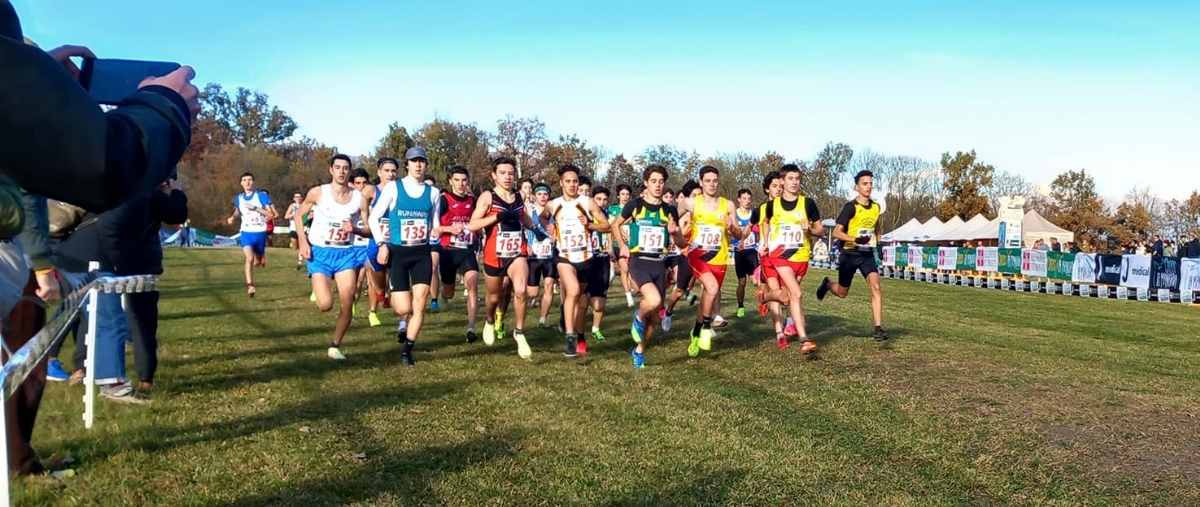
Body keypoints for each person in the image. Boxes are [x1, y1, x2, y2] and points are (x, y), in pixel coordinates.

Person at [2, 15, 199, 475]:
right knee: (31, 352)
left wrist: (33, 81)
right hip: (50, 255)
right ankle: (21, 457)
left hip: (60, 253)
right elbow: (101, 167)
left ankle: (17, 459)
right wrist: (164, 105)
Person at [369, 147, 441, 366]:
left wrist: (437, 230)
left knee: (419, 305)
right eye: (414, 161)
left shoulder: (434, 193)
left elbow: (435, 223)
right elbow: (374, 218)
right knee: (403, 308)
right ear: (407, 165)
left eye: (422, 161)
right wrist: (382, 244)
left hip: (421, 253)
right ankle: (401, 322)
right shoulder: (394, 187)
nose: (418, 165)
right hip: (398, 252)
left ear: (426, 165)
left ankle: (408, 349)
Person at [468, 157, 546, 358]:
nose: (507, 177)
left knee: (521, 290)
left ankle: (519, 332)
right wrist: (497, 217)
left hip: (517, 251)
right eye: (502, 173)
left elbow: (523, 217)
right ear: (494, 175)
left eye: (511, 173)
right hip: (494, 254)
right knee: (494, 296)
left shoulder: (519, 197)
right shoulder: (488, 197)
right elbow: (473, 225)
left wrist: (535, 229)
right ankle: (489, 320)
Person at [611, 165, 686, 369]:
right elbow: (615, 225)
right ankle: (638, 315)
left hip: (659, 264)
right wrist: (623, 244)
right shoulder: (635, 206)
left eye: (661, 181)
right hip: (639, 261)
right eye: (653, 181)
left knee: (654, 317)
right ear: (646, 183)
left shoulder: (669, 210)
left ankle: (639, 351)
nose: (658, 185)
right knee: (652, 300)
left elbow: (680, 242)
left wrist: (675, 233)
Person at [294, 155, 365, 360]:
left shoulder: (358, 198)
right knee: (326, 304)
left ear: (350, 171)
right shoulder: (318, 192)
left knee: (347, 301)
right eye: (338, 167)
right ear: (331, 170)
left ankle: (335, 346)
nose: (342, 171)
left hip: (345, 254)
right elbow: (299, 215)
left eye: (345, 168)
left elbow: (368, 227)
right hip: (320, 253)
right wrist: (303, 240)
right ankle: (318, 290)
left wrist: (357, 230)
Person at [748, 164, 823, 353]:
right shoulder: (772, 205)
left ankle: (764, 297)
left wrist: (809, 230)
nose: (794, 182)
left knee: (789, 296)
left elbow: (820, 230)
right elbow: (764, 222)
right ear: (783, 181)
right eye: (790, 179)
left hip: (801, 257)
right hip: (779, 257)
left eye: (797, 178)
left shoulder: (808, 203)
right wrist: (765, 242)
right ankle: (803, 339)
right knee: (795, 293)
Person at [538, 165, 611, 357]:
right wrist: (549, 227)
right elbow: (542, 217)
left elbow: (607, 226)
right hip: (564, 256)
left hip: (586, 258)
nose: (572, 185)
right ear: (561, 182)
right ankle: (570, 336)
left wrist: (590, 225)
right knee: (573, 291)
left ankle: (580, 336)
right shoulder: (554, 205)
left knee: (581, 302)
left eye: (575, 181)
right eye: (568, 181)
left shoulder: (588, 203)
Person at [815, 170, 889, 341]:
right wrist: (856, 239)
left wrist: (879, 242)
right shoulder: (851, 207)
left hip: (867, 255)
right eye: (865, 183)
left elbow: (876, 226)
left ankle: (878, 329)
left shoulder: (876, 207)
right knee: (842, 292)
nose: (869, 186)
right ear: (857, 187)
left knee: (876, 287)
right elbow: (837, 232)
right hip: (849, 254)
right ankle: (827, 284)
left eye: (870, 183)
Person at [673, 166, 738, 356]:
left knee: (706, 298)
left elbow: (739, 234)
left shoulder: (728, 206)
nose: (711, 184)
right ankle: (707, 328)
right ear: (701, 183)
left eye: (715, 180)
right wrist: (674, 233)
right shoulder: (690, 203)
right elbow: (672, 219)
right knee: (712, 288)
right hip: (697, 255)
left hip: (720, 258)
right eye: (707, 181)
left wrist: (733, 229)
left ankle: (696, 330)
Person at [435, 165, 481, 342]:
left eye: (463, 180)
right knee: (449, 293)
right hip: (448, 251)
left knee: (472, 285)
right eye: (457, 180)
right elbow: (434, 227)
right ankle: (442, 293)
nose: (461, 184)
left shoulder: (472, 200)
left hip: (467, 250)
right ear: (450, 181)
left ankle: (471, 328)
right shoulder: (444, 200)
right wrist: (448, 228)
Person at [362, 158, 399, 326]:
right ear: (379, 172)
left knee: (397, 278)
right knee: (377, 282)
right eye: (387, 170)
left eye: (393, 171)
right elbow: (361, 206)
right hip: (376, 242)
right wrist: (366, 219)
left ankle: (401, 317)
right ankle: (374, 308)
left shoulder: (400, 190)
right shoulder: (372, 190)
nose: (390, 174)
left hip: (395, 242)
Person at [226, 172, 276, 297]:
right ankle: (250, 286)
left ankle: (260, 259)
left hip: (260, 233)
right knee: (249, 258)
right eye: (244, 180)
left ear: (253, 182)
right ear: (241, 183)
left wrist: (255, 208)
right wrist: (232, 218)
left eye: (250, 180)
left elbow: (270, 214)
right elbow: (238, 211)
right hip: (246, 232)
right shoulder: (239, 198)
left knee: (257, 262)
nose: (247, 182)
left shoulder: (261, 196)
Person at [525, 183, 557, 327]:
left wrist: (555, 235)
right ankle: (527, 300)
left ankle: (543, 319)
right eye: (539, 194)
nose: (543, 197)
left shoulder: (554, 213)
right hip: (534, 257)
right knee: (532, 293)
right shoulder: (529, 212)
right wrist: (526, 244)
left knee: (549, 285)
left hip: (550, 257)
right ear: (534, 196)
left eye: (545, 194)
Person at [586, 186, 614, 342]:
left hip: (603, 259)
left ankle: (596, 328)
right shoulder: (586, 215)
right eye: (598, 199)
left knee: (600, 301)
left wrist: (611, 250)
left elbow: (610, 232)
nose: (602, 202)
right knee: (583, 298)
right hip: (587, 259)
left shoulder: (608, 216)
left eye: (604, 199)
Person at [733, 188, 759, 318]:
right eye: (744, 198)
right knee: (742, 283)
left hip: (752, 251)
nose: (747, 201)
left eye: (749, 199)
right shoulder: (734, 215)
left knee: (756, 281)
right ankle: (740, 306)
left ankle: (764, 300)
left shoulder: (754, 214)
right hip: (739, 252)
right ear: (739, 200)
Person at [609, 183, 635, 305]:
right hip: (617, 244)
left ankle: (632, 289)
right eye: (623, 194)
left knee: (631, 269)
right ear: (618, 196)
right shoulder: (612, 210)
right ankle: (628, 295)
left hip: (632, 245)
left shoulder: (634, 209)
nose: (625, 197)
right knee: (624, 268)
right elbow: (613, 226)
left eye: (627, 194)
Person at [423, 173, 443, 312]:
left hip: (434, 240)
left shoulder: (438, 201)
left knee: (433, 268)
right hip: (418, 241)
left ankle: (434, 299)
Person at [284, 190, 306, 270]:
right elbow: (286, 216)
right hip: (293, 228)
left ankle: (299, 262)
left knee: (301, 246)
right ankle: (296, 256)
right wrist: (295, 214)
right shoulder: (292, 206)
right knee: (294, 247)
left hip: (303, 229)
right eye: (296, 197)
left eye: (300, 197)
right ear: (294, 198)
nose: (298, 198)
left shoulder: (305, 205)